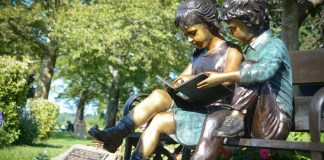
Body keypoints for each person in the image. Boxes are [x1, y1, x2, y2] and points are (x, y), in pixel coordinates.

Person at [88, 0, 242, 159]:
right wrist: (172, 85)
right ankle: (118, 133)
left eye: (192, 33)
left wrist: (194, 79)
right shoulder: (198, 55)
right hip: (195, 108)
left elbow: (229, 80)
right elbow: (181, 79)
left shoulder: (231, 51)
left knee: (159, 120)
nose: (189, 39)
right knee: (158, 95)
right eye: (186, 35)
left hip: (215, 115)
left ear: (208, 25)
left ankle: (119, 141)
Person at [190, 0, 293, 159]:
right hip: (250, 119)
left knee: (247, 67)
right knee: (214, 119)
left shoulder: (274, 45)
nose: (231, 33)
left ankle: (236, 117)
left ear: (250, 22)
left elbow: (263, 72)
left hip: (274, 123)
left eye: (233, 28)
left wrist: (223, 77)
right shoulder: (249, 50)